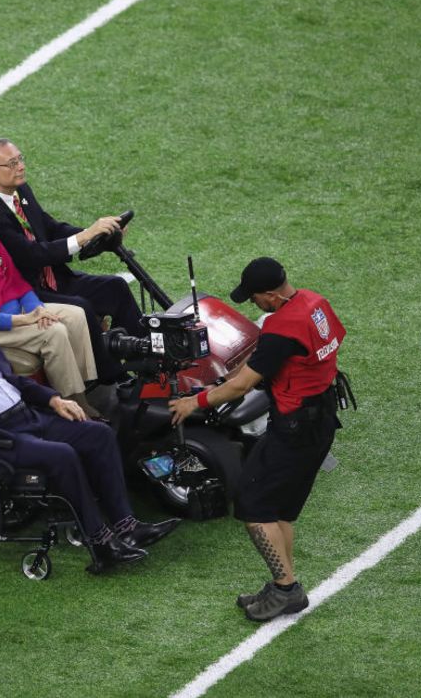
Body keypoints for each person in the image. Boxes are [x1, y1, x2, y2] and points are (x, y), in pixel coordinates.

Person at [0, 279, 180, 573]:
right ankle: (100, 544)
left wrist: (54, 400)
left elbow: (13, 381)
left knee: (98, 434)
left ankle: (126, 526)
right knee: (62, 455)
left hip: (26, 416)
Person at [169, 257, 346, 622]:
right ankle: (286, 584)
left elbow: (242, 384)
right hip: (320, 418)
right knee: (280, 508)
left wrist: (194, 401)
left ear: (271, 295)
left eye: (255, 298)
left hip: (296, 427)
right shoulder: (315, 303)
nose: (253, 305)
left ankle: (286, 589)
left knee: (253, 506)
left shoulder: (284, 326)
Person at [0, 138, 144, 384]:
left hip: (54, 278)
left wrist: (96, 232)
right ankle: (112, 381)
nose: (21, 167)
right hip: (26, 292)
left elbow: (50, 227)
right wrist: (84, 236)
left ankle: (146, 362)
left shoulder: (20, 191)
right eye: (12, 163)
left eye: (20, 159)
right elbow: (30, 255)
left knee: (115, 288)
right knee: (81, 307)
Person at [0, 188, 101, 417]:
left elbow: (18, 283)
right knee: (54, 332)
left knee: (75, 315)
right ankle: (72, 401)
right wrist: (24, 320)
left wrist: (37, 309)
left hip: (21, 312)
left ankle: (84, 386)